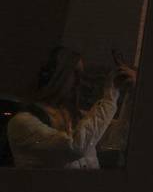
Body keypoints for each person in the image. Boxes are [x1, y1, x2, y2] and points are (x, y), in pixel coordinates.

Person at [6, 46, 135, 169]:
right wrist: (110, 95)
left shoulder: (77, 116)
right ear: (57, 75)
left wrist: (132, 94)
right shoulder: (22, 123)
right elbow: (74, 147)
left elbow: (116, 139)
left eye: (81, 75)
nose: (80, 81)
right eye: (74, 73)